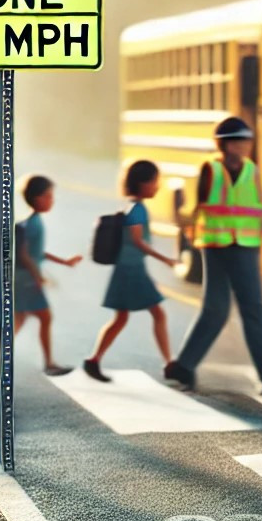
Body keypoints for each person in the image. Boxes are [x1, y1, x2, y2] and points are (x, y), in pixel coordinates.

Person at [164, 118, 262, 396]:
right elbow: (199, 206)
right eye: (239, 141)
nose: (245, 146)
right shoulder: (210, 170)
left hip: (245, 246)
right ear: (224, 145)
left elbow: (258, 207)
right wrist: (183, 223)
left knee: (249, 310)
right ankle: (187, 367)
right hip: (215, 246)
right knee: (218, 309)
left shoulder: (251, 171)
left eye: (247, 141)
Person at [0, 174, 81, 379]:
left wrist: (64, 262)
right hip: (25, 279)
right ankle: (49, 363)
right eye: (48, 196)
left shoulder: (33, 223)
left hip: (23, 277)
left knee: (18, 320)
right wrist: (37, 277)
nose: (52, 200)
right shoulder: (31, 224)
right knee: (44, 316)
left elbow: (37, 252)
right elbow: (24, 254)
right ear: (37, 198)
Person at [84, 160, 179, 382]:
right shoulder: (138, 210)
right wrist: (164, 258)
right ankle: (169, 363)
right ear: (143, 184)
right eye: (155, 182)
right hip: (131, 270)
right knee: (157, 313)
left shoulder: (132, 206)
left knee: (121, 318)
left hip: (127, 268)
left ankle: (94, 360)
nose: (157, 186)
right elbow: (138, 241)